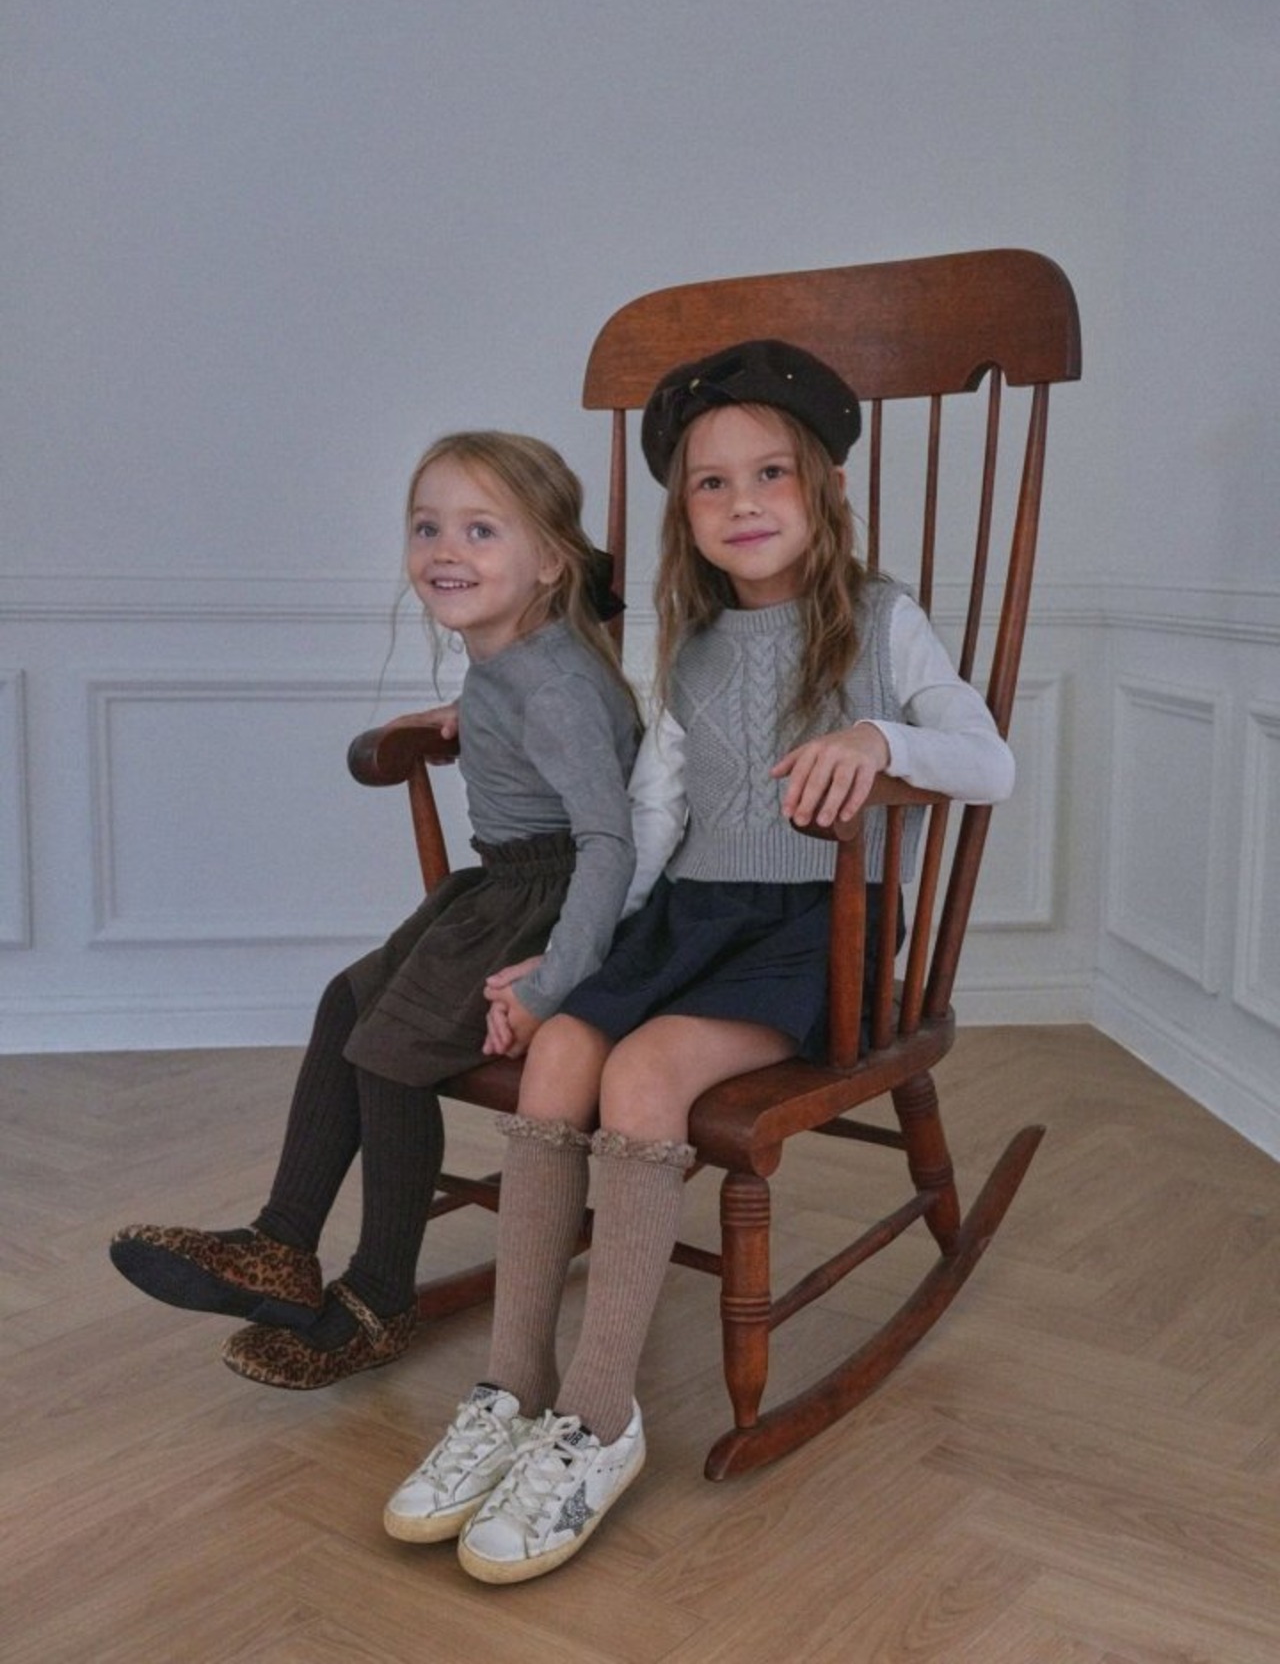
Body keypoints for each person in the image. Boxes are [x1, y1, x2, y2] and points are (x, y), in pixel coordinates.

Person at [380, 340, 1016, 1584]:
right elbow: (651, 818)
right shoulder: (694, 640)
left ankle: (598, 1416)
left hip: (811, 929)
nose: (741, 501)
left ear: (825, 486)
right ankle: (509, 1388)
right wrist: (566, 967)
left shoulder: (880, 619)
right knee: (562, 1053)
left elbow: (986, 762)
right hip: (688, 915)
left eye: (769, 472)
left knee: (643, 1076)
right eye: (710, 483)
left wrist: (880, 742)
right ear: (685, 512)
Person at [109, 430, 642, 1390]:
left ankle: (377, 1297)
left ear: (551, 561)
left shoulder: (556, 685)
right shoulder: (515, 658)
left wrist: (556, 979)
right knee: (346, 1001)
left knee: (390, 1053)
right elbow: (527, 721)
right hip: (504, 884)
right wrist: (463, 719)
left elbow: (609, 840)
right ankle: (281, 1243)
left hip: (550, 900)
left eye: (481, 530)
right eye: (427, 527)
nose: (446, 550)